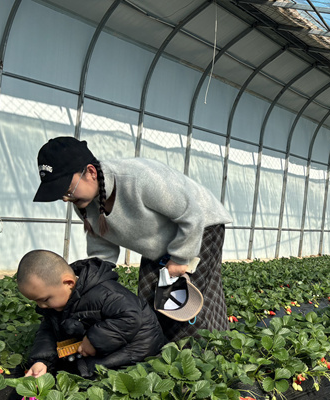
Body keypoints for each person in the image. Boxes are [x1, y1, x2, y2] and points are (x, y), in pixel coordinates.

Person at [33, 137, 233, 341]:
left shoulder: (139, 179)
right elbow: (102, 248)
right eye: (61, 194)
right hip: (158, 241)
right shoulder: (83, 203)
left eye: (67, 190)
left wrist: (180, 258)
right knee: (149, 296)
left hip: (199, 226)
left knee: (182, 298)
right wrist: (93, 280)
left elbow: (192, 214)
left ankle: (200, 349)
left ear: (91, 172)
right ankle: (189, 341)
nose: (66, 198)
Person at [17, 250, 167, 378]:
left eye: (44, 300)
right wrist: (41, 361)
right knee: (71, 367)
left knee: (90, 372)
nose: (41, 306)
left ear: (69, 283)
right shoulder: (56, 302)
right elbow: (49, 330)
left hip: (139, 344)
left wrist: (94, 340)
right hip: (107, 342)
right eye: (36, 301)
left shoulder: (107, 293)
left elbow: (131, 317)